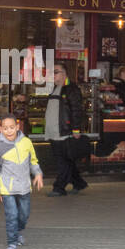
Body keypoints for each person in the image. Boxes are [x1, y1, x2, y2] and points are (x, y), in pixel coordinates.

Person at [0, 113, 44, 249]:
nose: (9, 131)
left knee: (24, 214)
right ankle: (12, 244)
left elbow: (33, 160)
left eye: (12, 127)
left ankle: (18, 230)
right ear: (0, 129)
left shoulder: (26, 142)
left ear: (17, 127)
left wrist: (38, 173)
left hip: (25, 187)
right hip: (7, 189)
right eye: (5, 128)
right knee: (11, 215)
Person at [45, 62, 87, 196]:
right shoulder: (55, 88)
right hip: (53, 132)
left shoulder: (72, 89)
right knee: (66, 160)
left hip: (64, 131)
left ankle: (59, 187)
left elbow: (76, 110)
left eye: (55, 72)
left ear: (64, 74)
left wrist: (76, 129)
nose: (53, 75)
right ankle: (79, 183)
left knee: (63, 161)